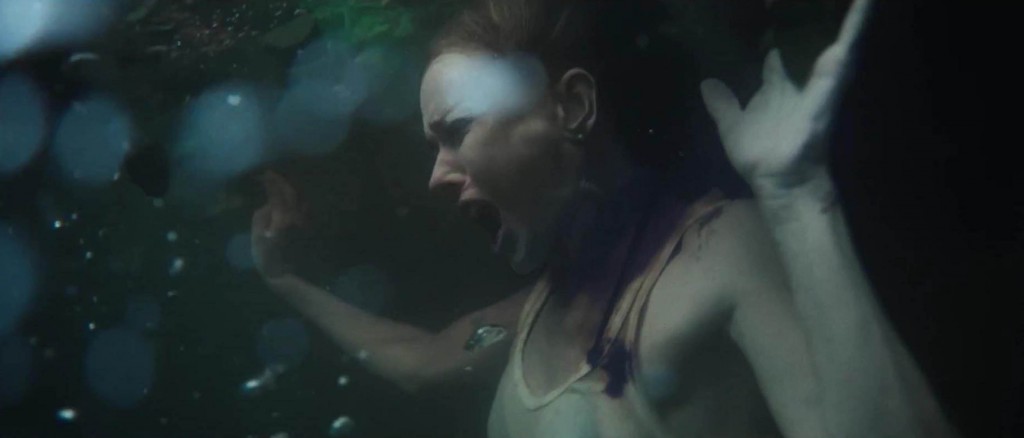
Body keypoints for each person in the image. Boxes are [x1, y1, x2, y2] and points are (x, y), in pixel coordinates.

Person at [251, 0, 958, 436]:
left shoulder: (717, 254)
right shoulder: (529, 314)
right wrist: (286, 282)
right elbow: (425, 359)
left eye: (456, 132)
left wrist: (798, 196)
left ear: (572, 107)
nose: (435, 175)